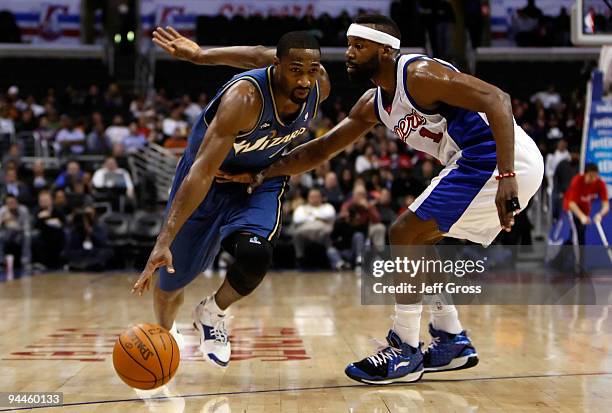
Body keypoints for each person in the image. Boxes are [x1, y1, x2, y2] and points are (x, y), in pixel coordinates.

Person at [219, 14, 544, 384]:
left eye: (359, 46)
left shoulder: (419, 74)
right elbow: (321, 149)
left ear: (386, 51)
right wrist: (262, 172)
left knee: (402, 234)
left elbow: (498, 99)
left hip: (496, 158)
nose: (348, 54)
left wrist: (506, 176)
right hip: (476, 162)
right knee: (421, 241)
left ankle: (404, 347)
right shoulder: (373, 104)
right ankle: (450, 336)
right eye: (348, 45)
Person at [131, 27, 330, 370]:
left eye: (311, 71)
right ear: (278, 66)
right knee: (169, 281)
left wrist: (199, 55)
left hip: (257, 183)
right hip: (206, 182)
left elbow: (257, 52)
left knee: (256, 255)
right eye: (295, 70)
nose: (305, 80)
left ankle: (212, 313)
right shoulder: (244, 99)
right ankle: (164, 338)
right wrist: (164, 239)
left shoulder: (317, 86)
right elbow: (202, 171)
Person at [563, 163, 609, 274]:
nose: (593, 179)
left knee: (580, 236)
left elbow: (606, 204)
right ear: (585, 174)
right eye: (591, 176)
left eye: (595, 176)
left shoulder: (599, 183)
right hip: (572, 209)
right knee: (577, 237)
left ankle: (559, 260)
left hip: (585, 210)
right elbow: (572, 204)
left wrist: (600, 214)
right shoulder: (577, 180)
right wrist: (582, 217)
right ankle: (579, 268)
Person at [291, 188, 338, 269]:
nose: (314, 199)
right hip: (305, 234)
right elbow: (297, 219)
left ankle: (333, 259)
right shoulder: (302, 208)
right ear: (308, 198)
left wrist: (310, 216)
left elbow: (329, 215)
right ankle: (300, 258)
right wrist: (318, 217)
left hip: (322, 234)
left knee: (328, 233)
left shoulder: (327, 206)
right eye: (312, 197)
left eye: (316, 196)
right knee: (297, 234)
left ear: (321, 197)